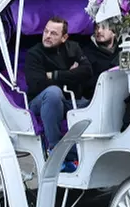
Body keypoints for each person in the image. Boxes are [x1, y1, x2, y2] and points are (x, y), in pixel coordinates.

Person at [24, 16, 92, 172]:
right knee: (53, 93)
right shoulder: (34, 54)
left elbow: (87, 71)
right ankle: (54, 150)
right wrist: (71, 74)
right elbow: (37, 84)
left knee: (93, 104)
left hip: (69, 101)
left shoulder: (73, 48)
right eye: (46, 31)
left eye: (54, 33)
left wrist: (55, 75)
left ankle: (83, 154)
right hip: (39, 101)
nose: (47, 36)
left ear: (64, 38)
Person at [82, 22, 120, 99]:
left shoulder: (122, 50)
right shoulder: (86, 52)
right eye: (96, 28)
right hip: (94, 98)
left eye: (103, 27)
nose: (99, 31)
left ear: (114, 32)